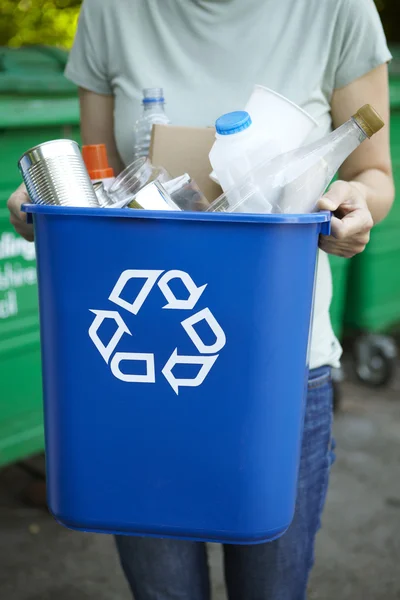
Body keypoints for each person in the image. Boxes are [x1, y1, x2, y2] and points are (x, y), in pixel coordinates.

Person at [7, 1, 395, 598]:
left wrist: (355, 203)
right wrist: (45, 209)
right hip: (135, 386)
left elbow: (375, 173)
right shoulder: (111, 11)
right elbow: (97, 179)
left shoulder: (337, 8)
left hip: (280, 372)